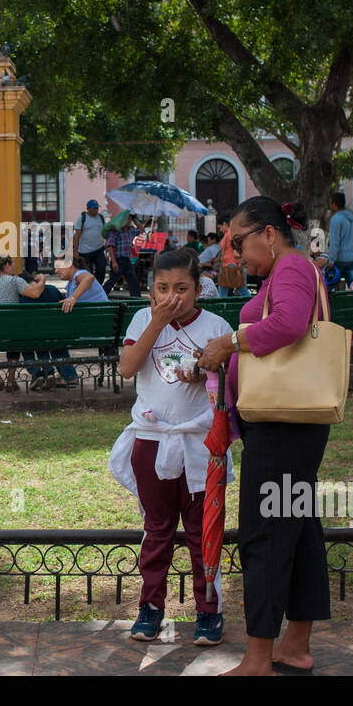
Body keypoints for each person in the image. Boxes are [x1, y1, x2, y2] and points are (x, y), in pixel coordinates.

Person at [196, 197, 332, 676]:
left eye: (238, 241)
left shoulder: (291, 271)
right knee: (297, 531)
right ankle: (293, 646)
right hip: (292, 427)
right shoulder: (294, 270)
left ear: (268, 234)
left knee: (266, 535)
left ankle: (257, 661)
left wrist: (229, 342)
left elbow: (291, 324)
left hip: (280, 429)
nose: (234, 254)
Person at [111, 249, 235, 647]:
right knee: (157, 529)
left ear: (199, 289)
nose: (172, 297)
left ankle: (208, 610)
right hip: (152, 438)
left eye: (181, 289)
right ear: (151, 291)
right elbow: (128, 366)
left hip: (200, 442)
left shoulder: (216, 325)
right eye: (163, 289)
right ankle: (150, 608)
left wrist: (206, 373)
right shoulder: (143, 319)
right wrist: (158, 320)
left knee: (204, 532)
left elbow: (232, 382)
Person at [0, 255, 46, 391]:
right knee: (14, 333)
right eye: (13, 264)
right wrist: (42, 279)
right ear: (6, 265)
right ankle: (10, 380)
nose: (15, 268)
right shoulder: (15, 281)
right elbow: (36, 293)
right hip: (10, 331)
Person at [103, 214, 142, 297]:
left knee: (133, 280)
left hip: (127, 260)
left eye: (130, 220)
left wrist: (135, 219)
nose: (129, 221)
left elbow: (141, 230)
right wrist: (113, 262)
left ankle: (136, 299)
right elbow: (110, 246)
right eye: (127, 219)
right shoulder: (115, 231)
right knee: (112, 280)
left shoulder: (131, 230)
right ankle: (101, 296)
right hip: (118, 259)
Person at [73, 199, 108, 283]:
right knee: (88, 272)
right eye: (94, 208)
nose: (96, 210)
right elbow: (77, 236)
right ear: (88, 208)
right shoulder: (82, 218)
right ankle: (89, 288)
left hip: (98, 249)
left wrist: (106, 243)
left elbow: (105, 231)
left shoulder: (101, 218)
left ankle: (98, 285)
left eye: (97, 208)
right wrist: (75, 251)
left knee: (102, 268)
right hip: (85, 251)